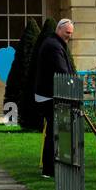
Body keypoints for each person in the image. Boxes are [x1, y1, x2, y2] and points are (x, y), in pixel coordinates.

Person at [34, 19, 76, 177]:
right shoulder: (53, 45)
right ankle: (49, 169)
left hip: (48, 94)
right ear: (59, 30)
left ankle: (52, 166)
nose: (69, 36)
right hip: (49, 95)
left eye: (71, 33)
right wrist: (73, 83)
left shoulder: (55, 43)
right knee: (54, 132)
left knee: (55, 131)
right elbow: (63, 70)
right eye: (67, 33)